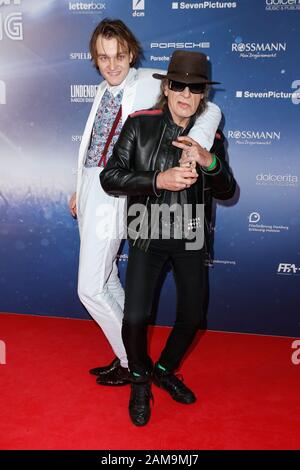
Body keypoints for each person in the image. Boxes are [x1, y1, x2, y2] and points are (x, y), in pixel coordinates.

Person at [69, 18, 222, 386]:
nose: (111, 64)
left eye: (119, 55)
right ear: (94, 59)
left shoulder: (150, 79)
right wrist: (78, 185)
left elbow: (210, 109)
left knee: (89, 288)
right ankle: (133, 352)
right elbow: (92, 144)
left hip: (124, 189)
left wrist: (192, 148)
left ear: (132, 53)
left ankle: (129, 360)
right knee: (104, 280)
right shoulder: (99, 91)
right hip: (94, 186)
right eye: (103, 58)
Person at [100, 50, 236, 425]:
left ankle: (164, 369)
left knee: (193, 316)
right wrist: (157, 180)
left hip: (189, 231)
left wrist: (210, 162)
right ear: (167, 87)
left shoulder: (211, 136)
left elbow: (227, 190)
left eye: (195, 88)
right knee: (136, 317)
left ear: (202, 95)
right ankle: (140, 379)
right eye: (178, 85)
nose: (185, 94)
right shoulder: (139, 124)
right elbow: (110, 177)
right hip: (146, 230)